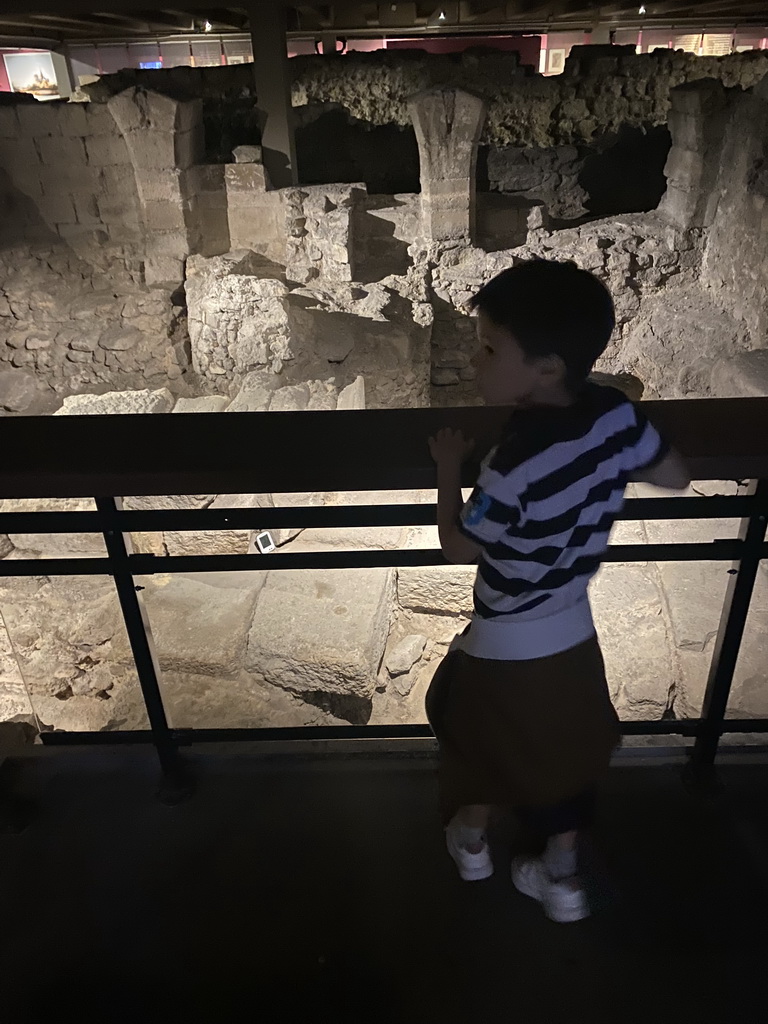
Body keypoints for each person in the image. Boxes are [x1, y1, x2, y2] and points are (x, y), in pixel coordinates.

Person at [426, 259, 689, 923]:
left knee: (465, 723)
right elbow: (675, 476)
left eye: (489, 347)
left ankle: (473, 841)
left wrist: (449, 470)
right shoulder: (617, 415)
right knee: (564, 749)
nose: (475, 359)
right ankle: (562, 875)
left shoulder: (509, 466)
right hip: (572, 625)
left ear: (544, 368)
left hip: (507, 636)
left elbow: (459, 545)